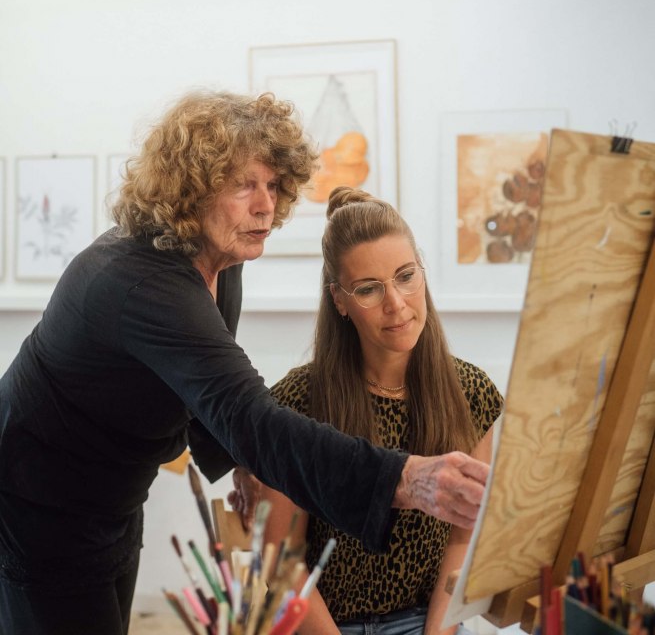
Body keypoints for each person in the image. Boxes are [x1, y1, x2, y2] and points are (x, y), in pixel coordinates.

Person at [0, 90, 491, 635]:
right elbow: (252, 415)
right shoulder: (141, 283)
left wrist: (238, 460)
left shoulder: (220, 258)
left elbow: (198, 384)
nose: (265, 205)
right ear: (190, 190)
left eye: (272, 185)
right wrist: (407, 476)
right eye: (243, 186)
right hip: (37, 500)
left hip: (112, 499)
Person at [261, 187, 504, 635]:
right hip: (327, 625)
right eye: (369, 289)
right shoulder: (296, 403)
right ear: (340, 300)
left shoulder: (473, 394)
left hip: (424, 619)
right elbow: (282, 560)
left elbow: (463, 541)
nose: (396, 304)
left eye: (406, 276)